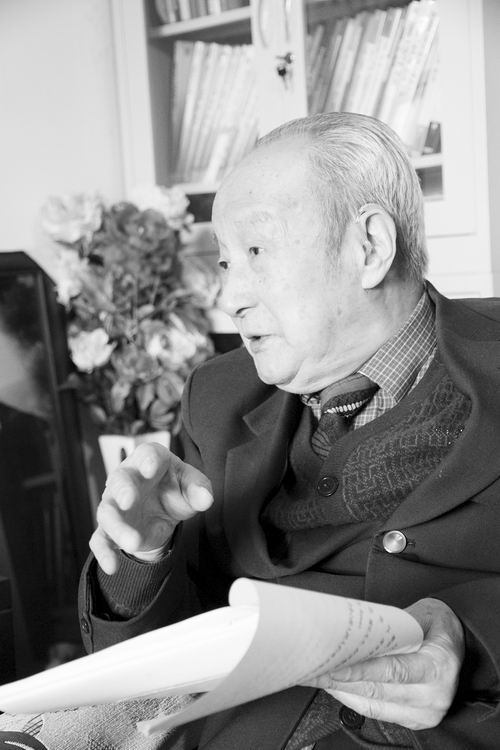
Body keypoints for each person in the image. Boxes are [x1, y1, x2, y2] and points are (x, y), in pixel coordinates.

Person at [79, 112, 500, 749]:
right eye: (225, 262)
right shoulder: (215, 398)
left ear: (369, 248)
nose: (229, 297)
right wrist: (142, 559)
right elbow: (149, 678)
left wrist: (468, 636)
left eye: (256, 252)